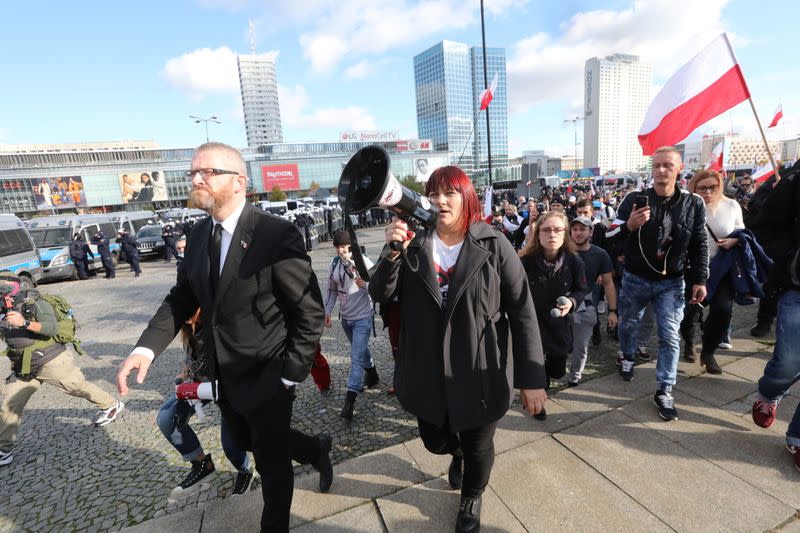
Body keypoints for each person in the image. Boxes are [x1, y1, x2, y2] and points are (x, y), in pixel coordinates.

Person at [116, 142, 331, 532]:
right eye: (193, 172)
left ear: (238, 182)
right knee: (246, 440)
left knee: (270, 459)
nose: (196, 179)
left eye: (208, 172)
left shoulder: (274, 234)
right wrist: (146, 348)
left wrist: (290, 373)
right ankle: (316, 449)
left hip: (268, 370)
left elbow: (309, 310)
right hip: (222, 372)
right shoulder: (198, 236)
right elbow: (183, 297)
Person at [369, 165, 547, 533]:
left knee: (480, 442)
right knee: (435, 440)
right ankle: (456, 452)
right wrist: (391, 252)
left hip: (481, 368)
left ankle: (472, 496)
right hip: (427, 369)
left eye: (449, 193)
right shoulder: (413, 243)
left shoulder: (494, 244)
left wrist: (531, 377)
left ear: (467, 198)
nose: (440, 200)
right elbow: (379, 294)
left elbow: (523, 310)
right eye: (433, 193)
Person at [606, 146, 708, 421]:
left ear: (679, 168)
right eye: (657, 166)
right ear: (651, 170)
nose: (661, 170)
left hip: (672, 282)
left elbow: (699, 242)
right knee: (628, 324)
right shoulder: (634, 200)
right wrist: (629, 225)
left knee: (669, 335)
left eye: (667, 165)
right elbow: (608, 236)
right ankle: (626, 356)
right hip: (636, 277)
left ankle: (664, 388)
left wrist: (700, 278)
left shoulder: (693, 203)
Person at [0, 273, 123, 467]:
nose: (5, 295)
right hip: (23, 365)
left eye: (7, 290)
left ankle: (111, 405)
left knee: (76, 387)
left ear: (16, 288)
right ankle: (3, 450)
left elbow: (51, 328)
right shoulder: (1, 309)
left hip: (51, 359)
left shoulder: (35, 303)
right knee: (9, 403)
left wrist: (24, 322)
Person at [158, 309, 254, 502]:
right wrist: (185, 372)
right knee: (167, 417)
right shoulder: (187, 327)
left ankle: (245, 470)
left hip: (229, 388)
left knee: (231, 447)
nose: (186, 308)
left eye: (191, 304)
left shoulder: (219, 322)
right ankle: (202, 464)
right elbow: (191, 358)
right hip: (200, 385)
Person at [750, 163, 800, 473]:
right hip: (797, 286)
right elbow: (764, 228)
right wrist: (788, 259)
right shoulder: (793, 181)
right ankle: (769, 392)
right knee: (788, 361)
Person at [679, 170, 744, 374]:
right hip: (692, 268)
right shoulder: (686, 205)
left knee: (723, 310)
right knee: (689, 311)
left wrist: (734, 240)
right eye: (702, 188)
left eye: (712, 187)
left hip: (720, 268)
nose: (708, 192)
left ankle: (708, 351)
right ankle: (689, 342)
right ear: (694, 188)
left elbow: (741, 230)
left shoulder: (731, 205)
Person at [519, 211, 588, 400]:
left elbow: (581, 290)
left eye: (558, 230)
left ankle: (548, 375)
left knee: (557, 371)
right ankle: (539, 399)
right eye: (546, 230)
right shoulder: (524, 262)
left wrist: (572, 303)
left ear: (565, 233)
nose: (552, 234)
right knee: (537, 370)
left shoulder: (574, 261)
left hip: (559, 324)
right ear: (538, 233)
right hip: (533, 324)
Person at [323, 230, 378, 421]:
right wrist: (328, 310)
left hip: (363, 316)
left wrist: (367, 285)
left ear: (351, 246)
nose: (341, 251)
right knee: (360, 350)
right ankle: (372, 373)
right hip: (346, 318)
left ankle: (349, 401)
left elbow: (380, 287)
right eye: (338, 247)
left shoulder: (364, 262)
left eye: (344, 247)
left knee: (355, 357)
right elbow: (331, 290)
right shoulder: (334, 264)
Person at [567, 215, 617, 386]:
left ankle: (575, 376)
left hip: (585, 305)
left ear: (591, 231)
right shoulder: (562, 250)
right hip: (561, 302)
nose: (578, 233)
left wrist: (612, 311)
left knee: (580, 346)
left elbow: (609, 283)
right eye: (575, 229)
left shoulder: (600, 254)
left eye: (583, 229)